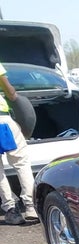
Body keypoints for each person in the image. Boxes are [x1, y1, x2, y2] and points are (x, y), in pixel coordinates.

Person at [0, 61, 38, 225]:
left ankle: (11, 210)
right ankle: (31, 207)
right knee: (21, 163)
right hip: (3, 119)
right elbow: (10, 91)